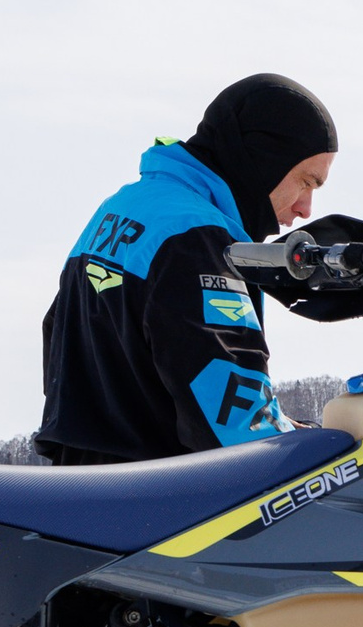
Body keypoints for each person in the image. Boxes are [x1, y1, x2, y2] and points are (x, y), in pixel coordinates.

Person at [35, 74, 338, 465]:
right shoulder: (197, 237)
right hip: (159, 504)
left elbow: (56, 337)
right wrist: (315, 454)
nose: (305, 209)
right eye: (306, 182)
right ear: (264, 160)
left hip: (82, 491)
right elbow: (232, 419)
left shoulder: (123, 208)